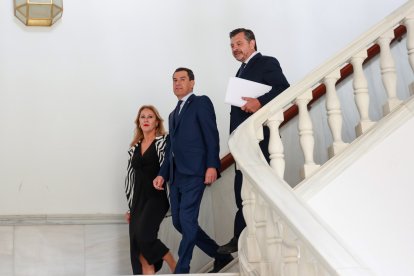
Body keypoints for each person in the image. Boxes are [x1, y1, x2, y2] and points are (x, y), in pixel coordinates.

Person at [153, 67, 233, 274]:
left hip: (196, 173)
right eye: (174, 80)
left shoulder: (201, 102)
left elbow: (211, 135)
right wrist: (162, 174)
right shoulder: (172, 115)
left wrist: (212, 165)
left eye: (182, 79)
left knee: (187, 219)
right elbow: (171, 149)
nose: (177, 83)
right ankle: (220, 254)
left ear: (192, 83)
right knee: (180, 223)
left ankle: (182, 268)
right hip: (176, 177)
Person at [217, 28, 290, 255]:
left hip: (261, 139)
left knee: (261, 190)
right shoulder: (240, 71)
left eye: (238, 43)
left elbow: (284, 89)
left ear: (252, 43)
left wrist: (260, 102)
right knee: (242, 190)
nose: (234, 48)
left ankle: (243, 236)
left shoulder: (267, 62)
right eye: (231, 45)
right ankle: (241, 236)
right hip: (243, 142)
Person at [124, 105, 176, 274]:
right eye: (142, 117)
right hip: (137, 201)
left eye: (150, 117)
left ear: (156, 122)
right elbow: (132, 180)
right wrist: (130, 207)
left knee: (144, 236)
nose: (146, 120)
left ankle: (173, 264)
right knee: (138, 248)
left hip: (157, 197)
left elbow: (170, 166)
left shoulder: (164, 142)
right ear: (138, 122)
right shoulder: (134, 148)